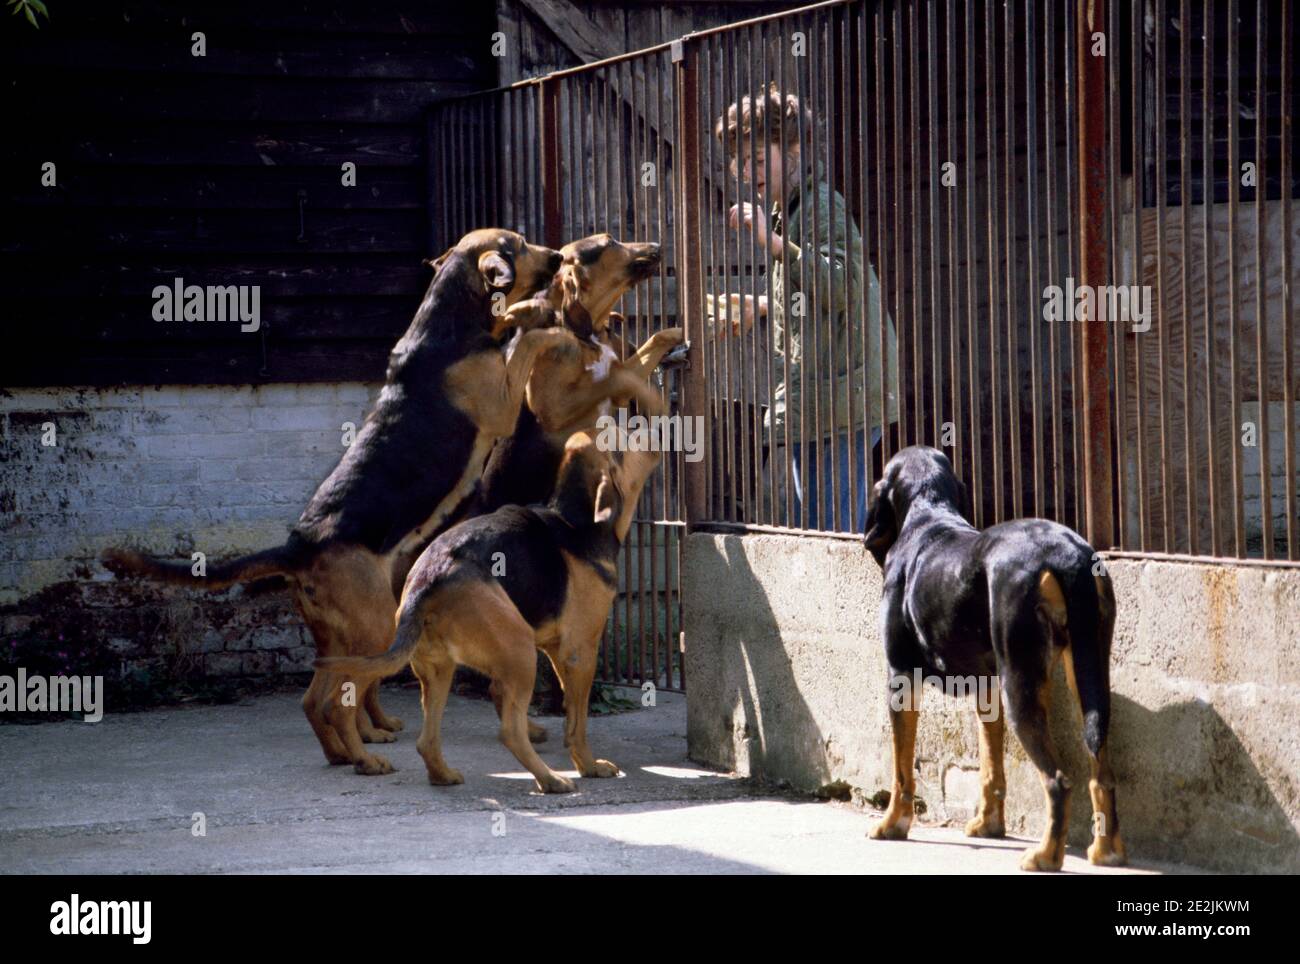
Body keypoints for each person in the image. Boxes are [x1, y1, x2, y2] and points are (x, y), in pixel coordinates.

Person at [714, 84, 899, 531]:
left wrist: (771, 242)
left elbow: (840, 287)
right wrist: (761, 306)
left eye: (759, 159)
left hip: (842, 393)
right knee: (817, 525)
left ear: (793, 148)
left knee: (832, 530)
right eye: (742, 162)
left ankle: (850, 603)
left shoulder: (821, 206)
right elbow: (813, 295)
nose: (748, 171)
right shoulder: (790, 211)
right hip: (820, 396)